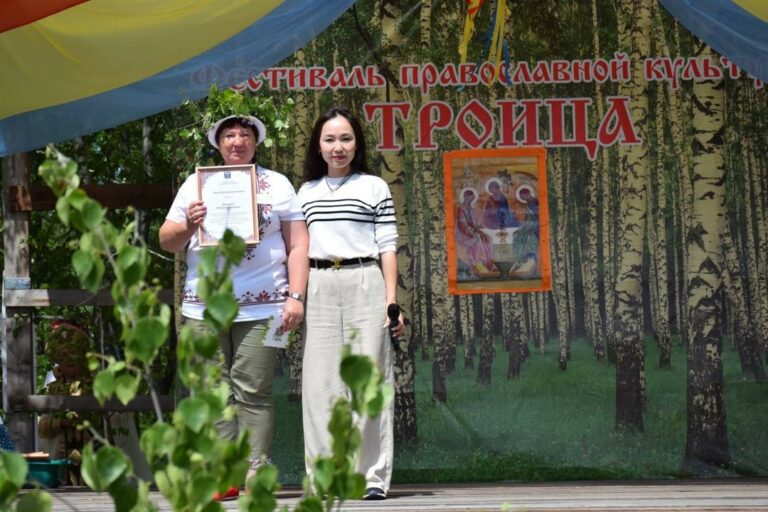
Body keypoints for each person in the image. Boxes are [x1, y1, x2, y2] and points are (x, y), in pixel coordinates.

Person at [159, 114, 308, 499]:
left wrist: (296, 296)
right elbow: (167, 241)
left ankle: (257, 471)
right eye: (229, 135)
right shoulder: (196, 184)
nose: (237, 141)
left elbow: (298, 244)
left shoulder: (278, 184)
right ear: (218, 143)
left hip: (268, 307)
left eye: (245, 134)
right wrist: (189, 224)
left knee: (255, 391)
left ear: (256, 142)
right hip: (202, 309)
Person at [298, 107, 404, 501]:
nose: (338, 147)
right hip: (319, 283)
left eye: (345, 138)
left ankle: (370, 476)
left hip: (365, 281)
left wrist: (391, 301)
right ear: (318, 146)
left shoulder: (374, 187)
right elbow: (296, 249)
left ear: (357, 144)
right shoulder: (305, 193)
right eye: (329, 139)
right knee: (320, 385)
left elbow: (388, 246)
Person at [455, 188, 500, 278]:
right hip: (463, 234)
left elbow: (474, 223)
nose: (470, 200)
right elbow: (463, 226)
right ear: (464, 197)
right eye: (469, 198)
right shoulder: (461, 209)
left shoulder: (470, 209)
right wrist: (473, 232)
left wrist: (478, 227)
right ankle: (478, 263)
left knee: (488, 239)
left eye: (471, 198)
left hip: (473, 231)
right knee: (477, 239)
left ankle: (489, 263)